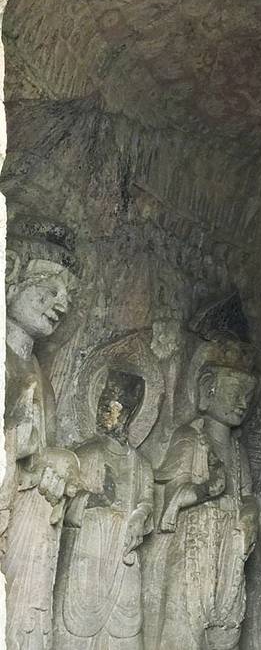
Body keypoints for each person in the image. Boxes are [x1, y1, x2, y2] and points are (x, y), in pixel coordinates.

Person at [3, 222, 80, 650]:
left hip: (25, 512)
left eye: (66, 299)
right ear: (12, 279)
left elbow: (38, 453)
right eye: (49, 291)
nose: (60, 305)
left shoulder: (39, 376)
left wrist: (52, 467)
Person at [156, 336, 259, 650]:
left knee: (227, 631)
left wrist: (250, 514)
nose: (242, 403)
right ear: (207, 388)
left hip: (230, 548)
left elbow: (247, 495)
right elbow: (170, 497)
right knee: (184, 631)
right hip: (195, 547)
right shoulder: (190, 438)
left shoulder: (238, 451)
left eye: (248, 395)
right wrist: (205, 490)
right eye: (235, 392)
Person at [53, 368, 154, 649]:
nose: (103, 412)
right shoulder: (86, 454)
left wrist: (139, 517)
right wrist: (94, 501)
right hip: (87, 558)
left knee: (126, 637)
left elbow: (147, 503)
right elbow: (66, 504)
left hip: (123, 560)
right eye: (102, 404)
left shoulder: (140, 465)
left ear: (128, 414)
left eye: (112, 407)